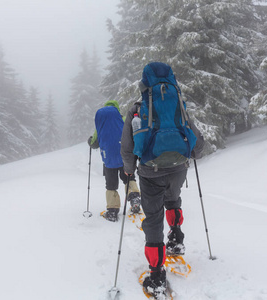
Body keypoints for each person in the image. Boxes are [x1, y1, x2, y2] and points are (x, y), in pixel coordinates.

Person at [120, 62, 204, 296]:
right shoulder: (178, 104)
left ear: (144, 84)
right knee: (173, 199)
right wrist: (194, 153)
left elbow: (127, 147)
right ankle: (176, 239)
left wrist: (128, 169)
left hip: (150, 172)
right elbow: (195, 136)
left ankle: (156, 275)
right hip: (178, 167)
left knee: (154, 218)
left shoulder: (137, 108)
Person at [88, 100, 141, 222]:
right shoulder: (122, 119)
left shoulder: (101, 125)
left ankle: (112, 211)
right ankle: (134, 198)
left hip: (109, 159)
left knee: (111, 185)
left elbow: (94, 143)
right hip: (124, 156)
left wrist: (89, 141)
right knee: (129, 178)